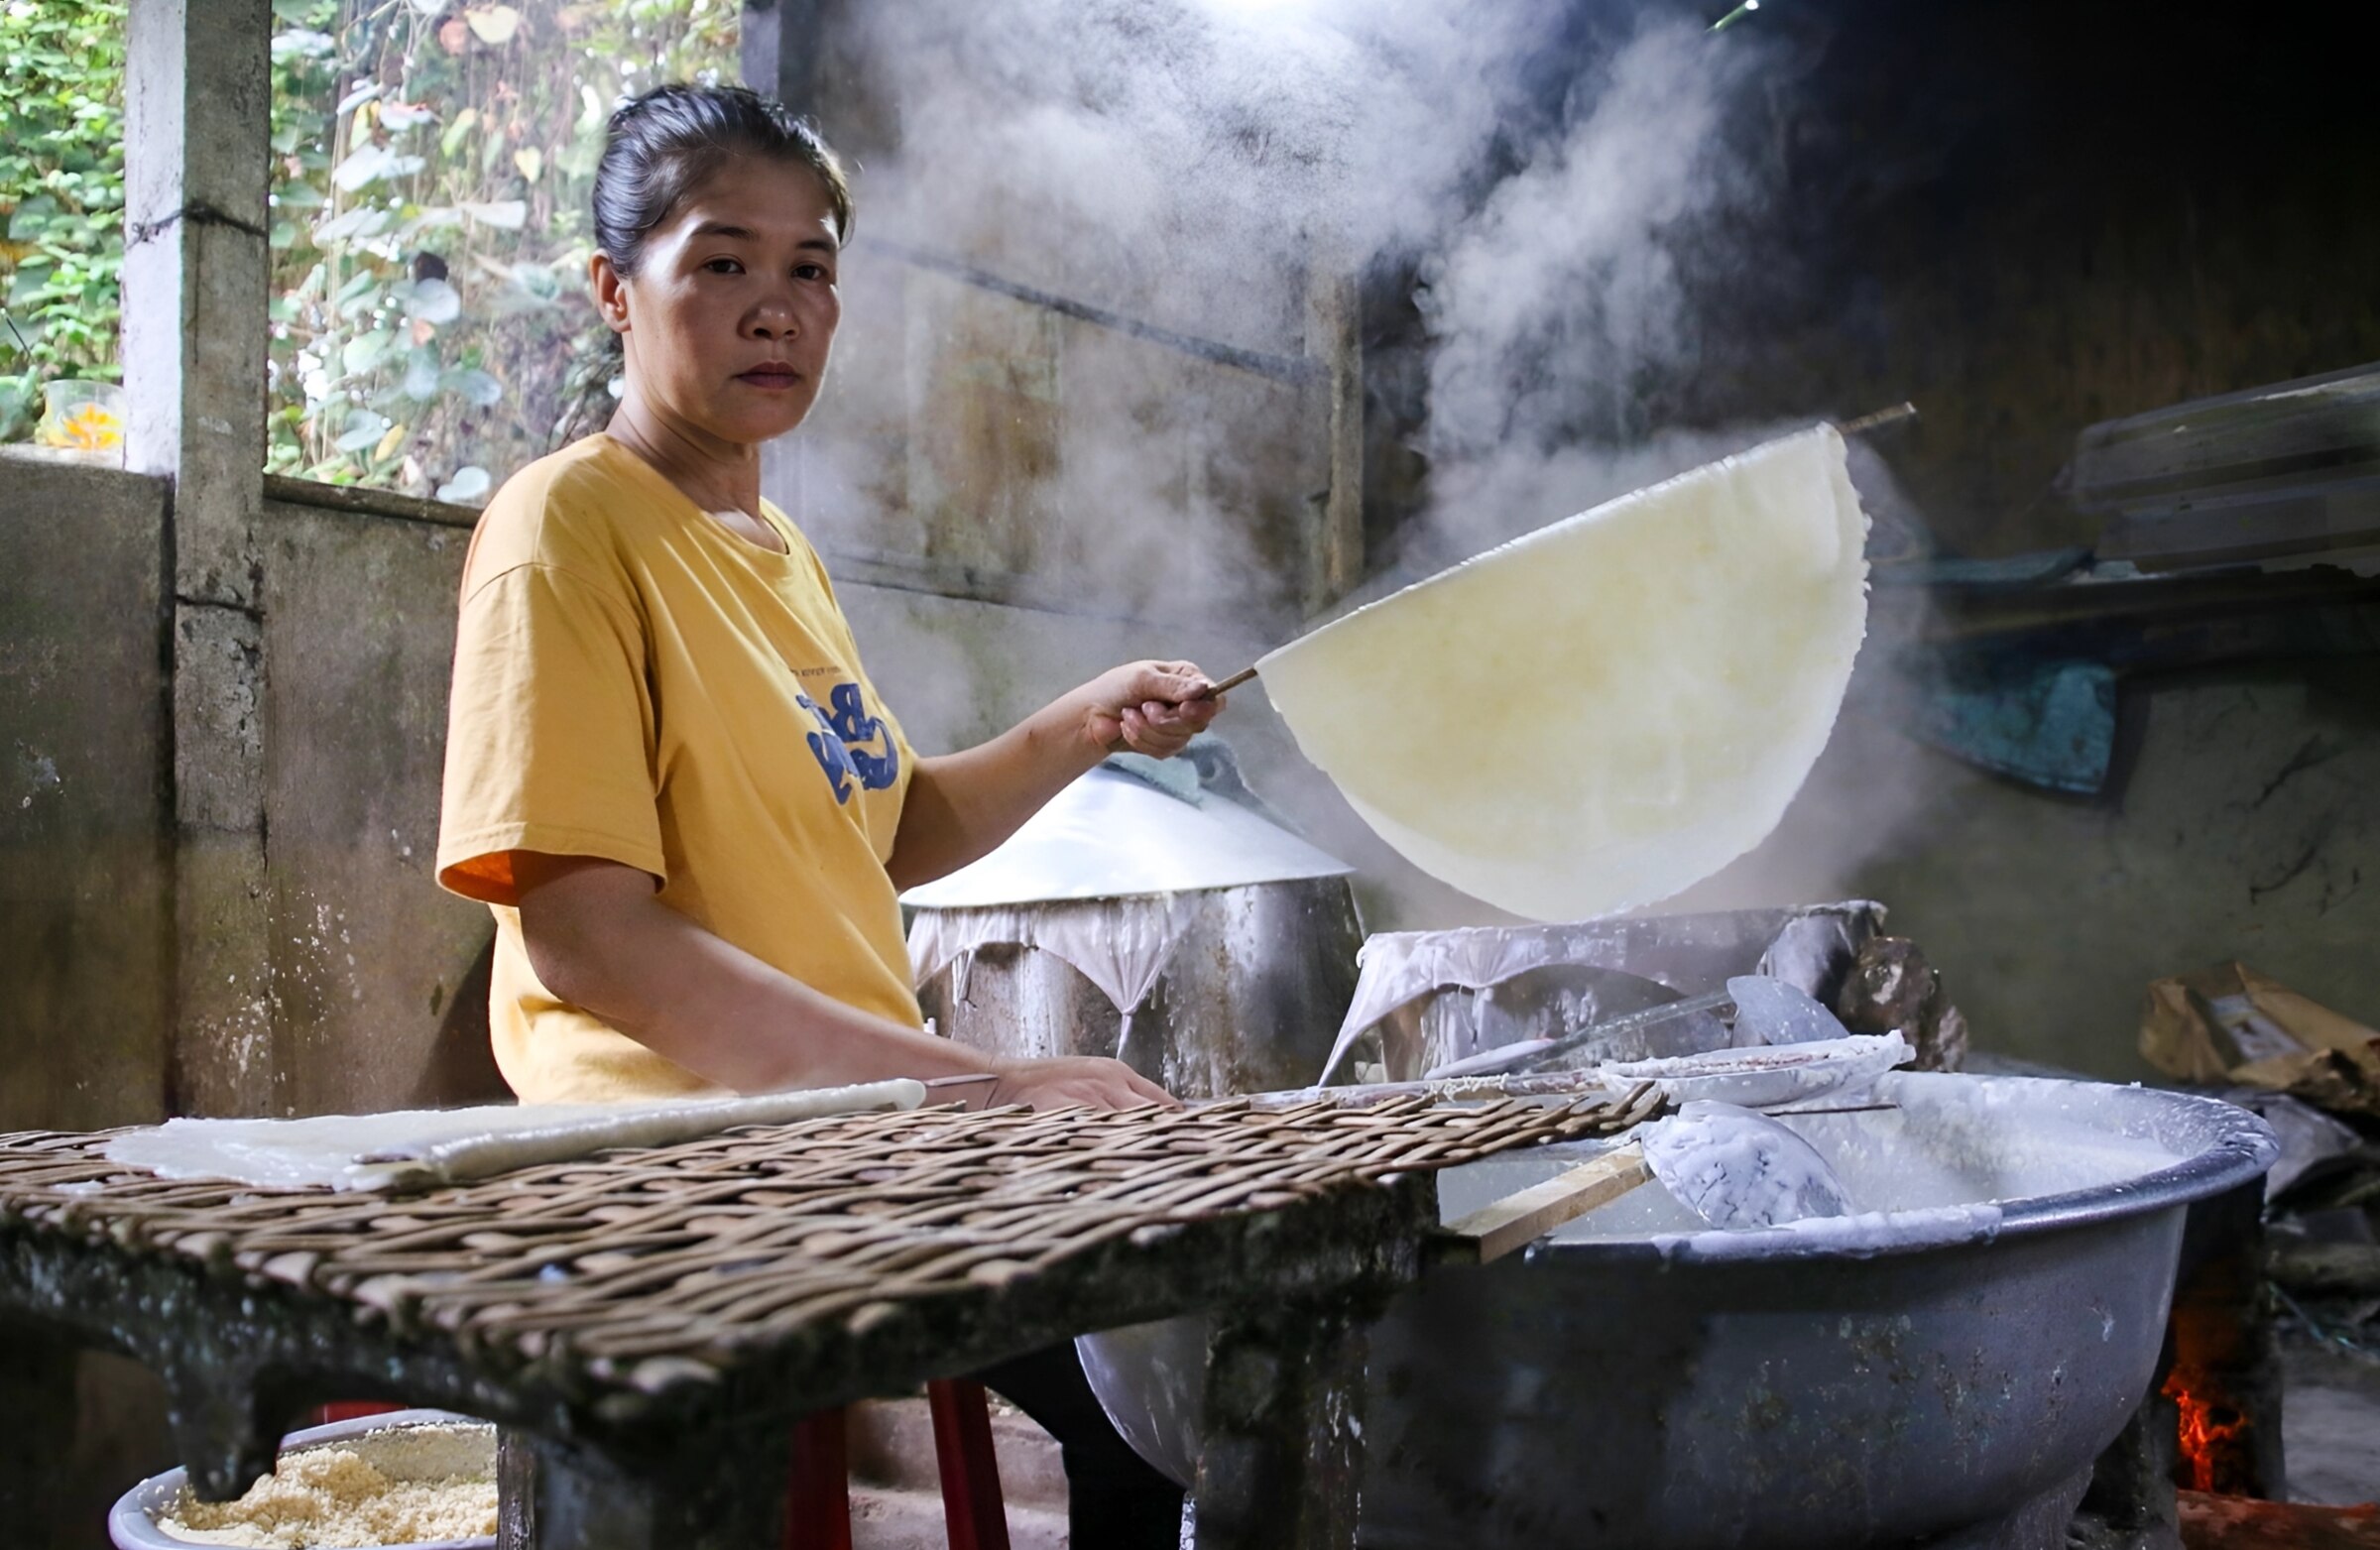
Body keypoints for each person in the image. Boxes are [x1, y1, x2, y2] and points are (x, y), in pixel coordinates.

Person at [434, 82, 1216, 1545]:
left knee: (1169, 1394)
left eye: (809, 272)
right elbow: (593, 943)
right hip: (683, 1158)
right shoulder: (565, 531)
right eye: (722, 264)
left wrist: (1084, 726)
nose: (774, 309)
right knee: (1148, 1400)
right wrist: (978, 1085)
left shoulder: (775, 548)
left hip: (849, 1137)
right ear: (617, 291)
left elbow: (886, 830)